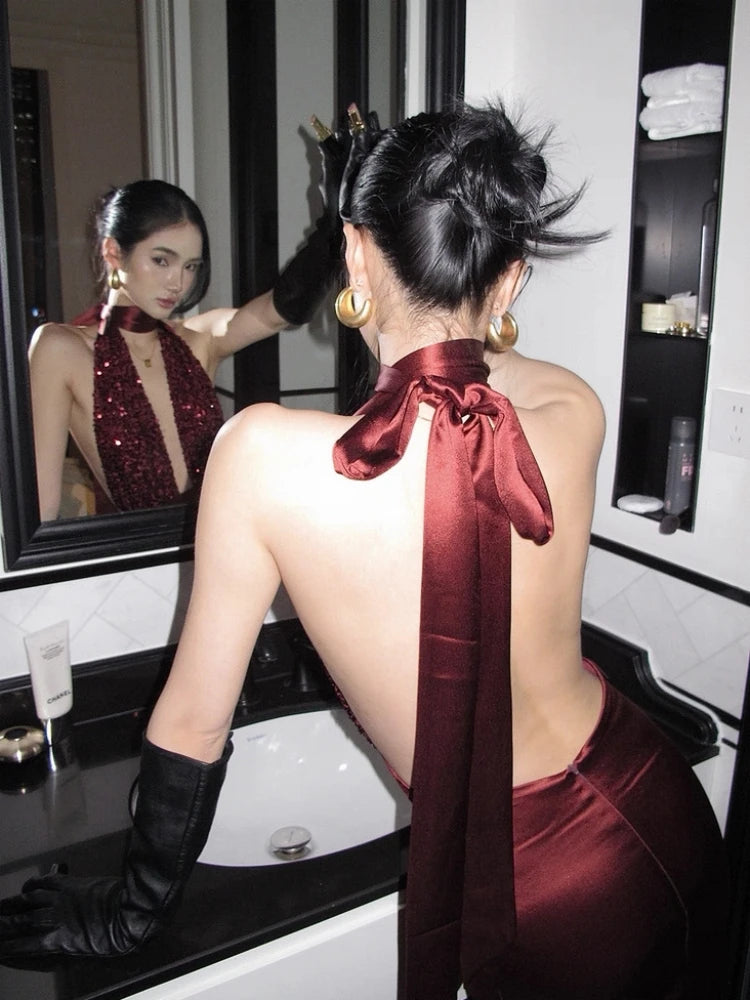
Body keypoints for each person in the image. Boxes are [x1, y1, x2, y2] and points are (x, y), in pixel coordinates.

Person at [0, 102, 728, 999]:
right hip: (656, 792)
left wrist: (127, 913)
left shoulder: (264, 459)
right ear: (508, 282)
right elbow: (462, 377)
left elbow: (192, 725)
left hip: (532, 881)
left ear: (354, 255)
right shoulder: (572, 412)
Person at [29, 124, 347, 520]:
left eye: (190, 266)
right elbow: (39, 514)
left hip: (230, 544)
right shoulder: (61, 348)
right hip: (135, 566)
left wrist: (336, 220)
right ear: (113, 253)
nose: (178, 283)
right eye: (161, 260)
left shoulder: (197, 339)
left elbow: (286, 307)